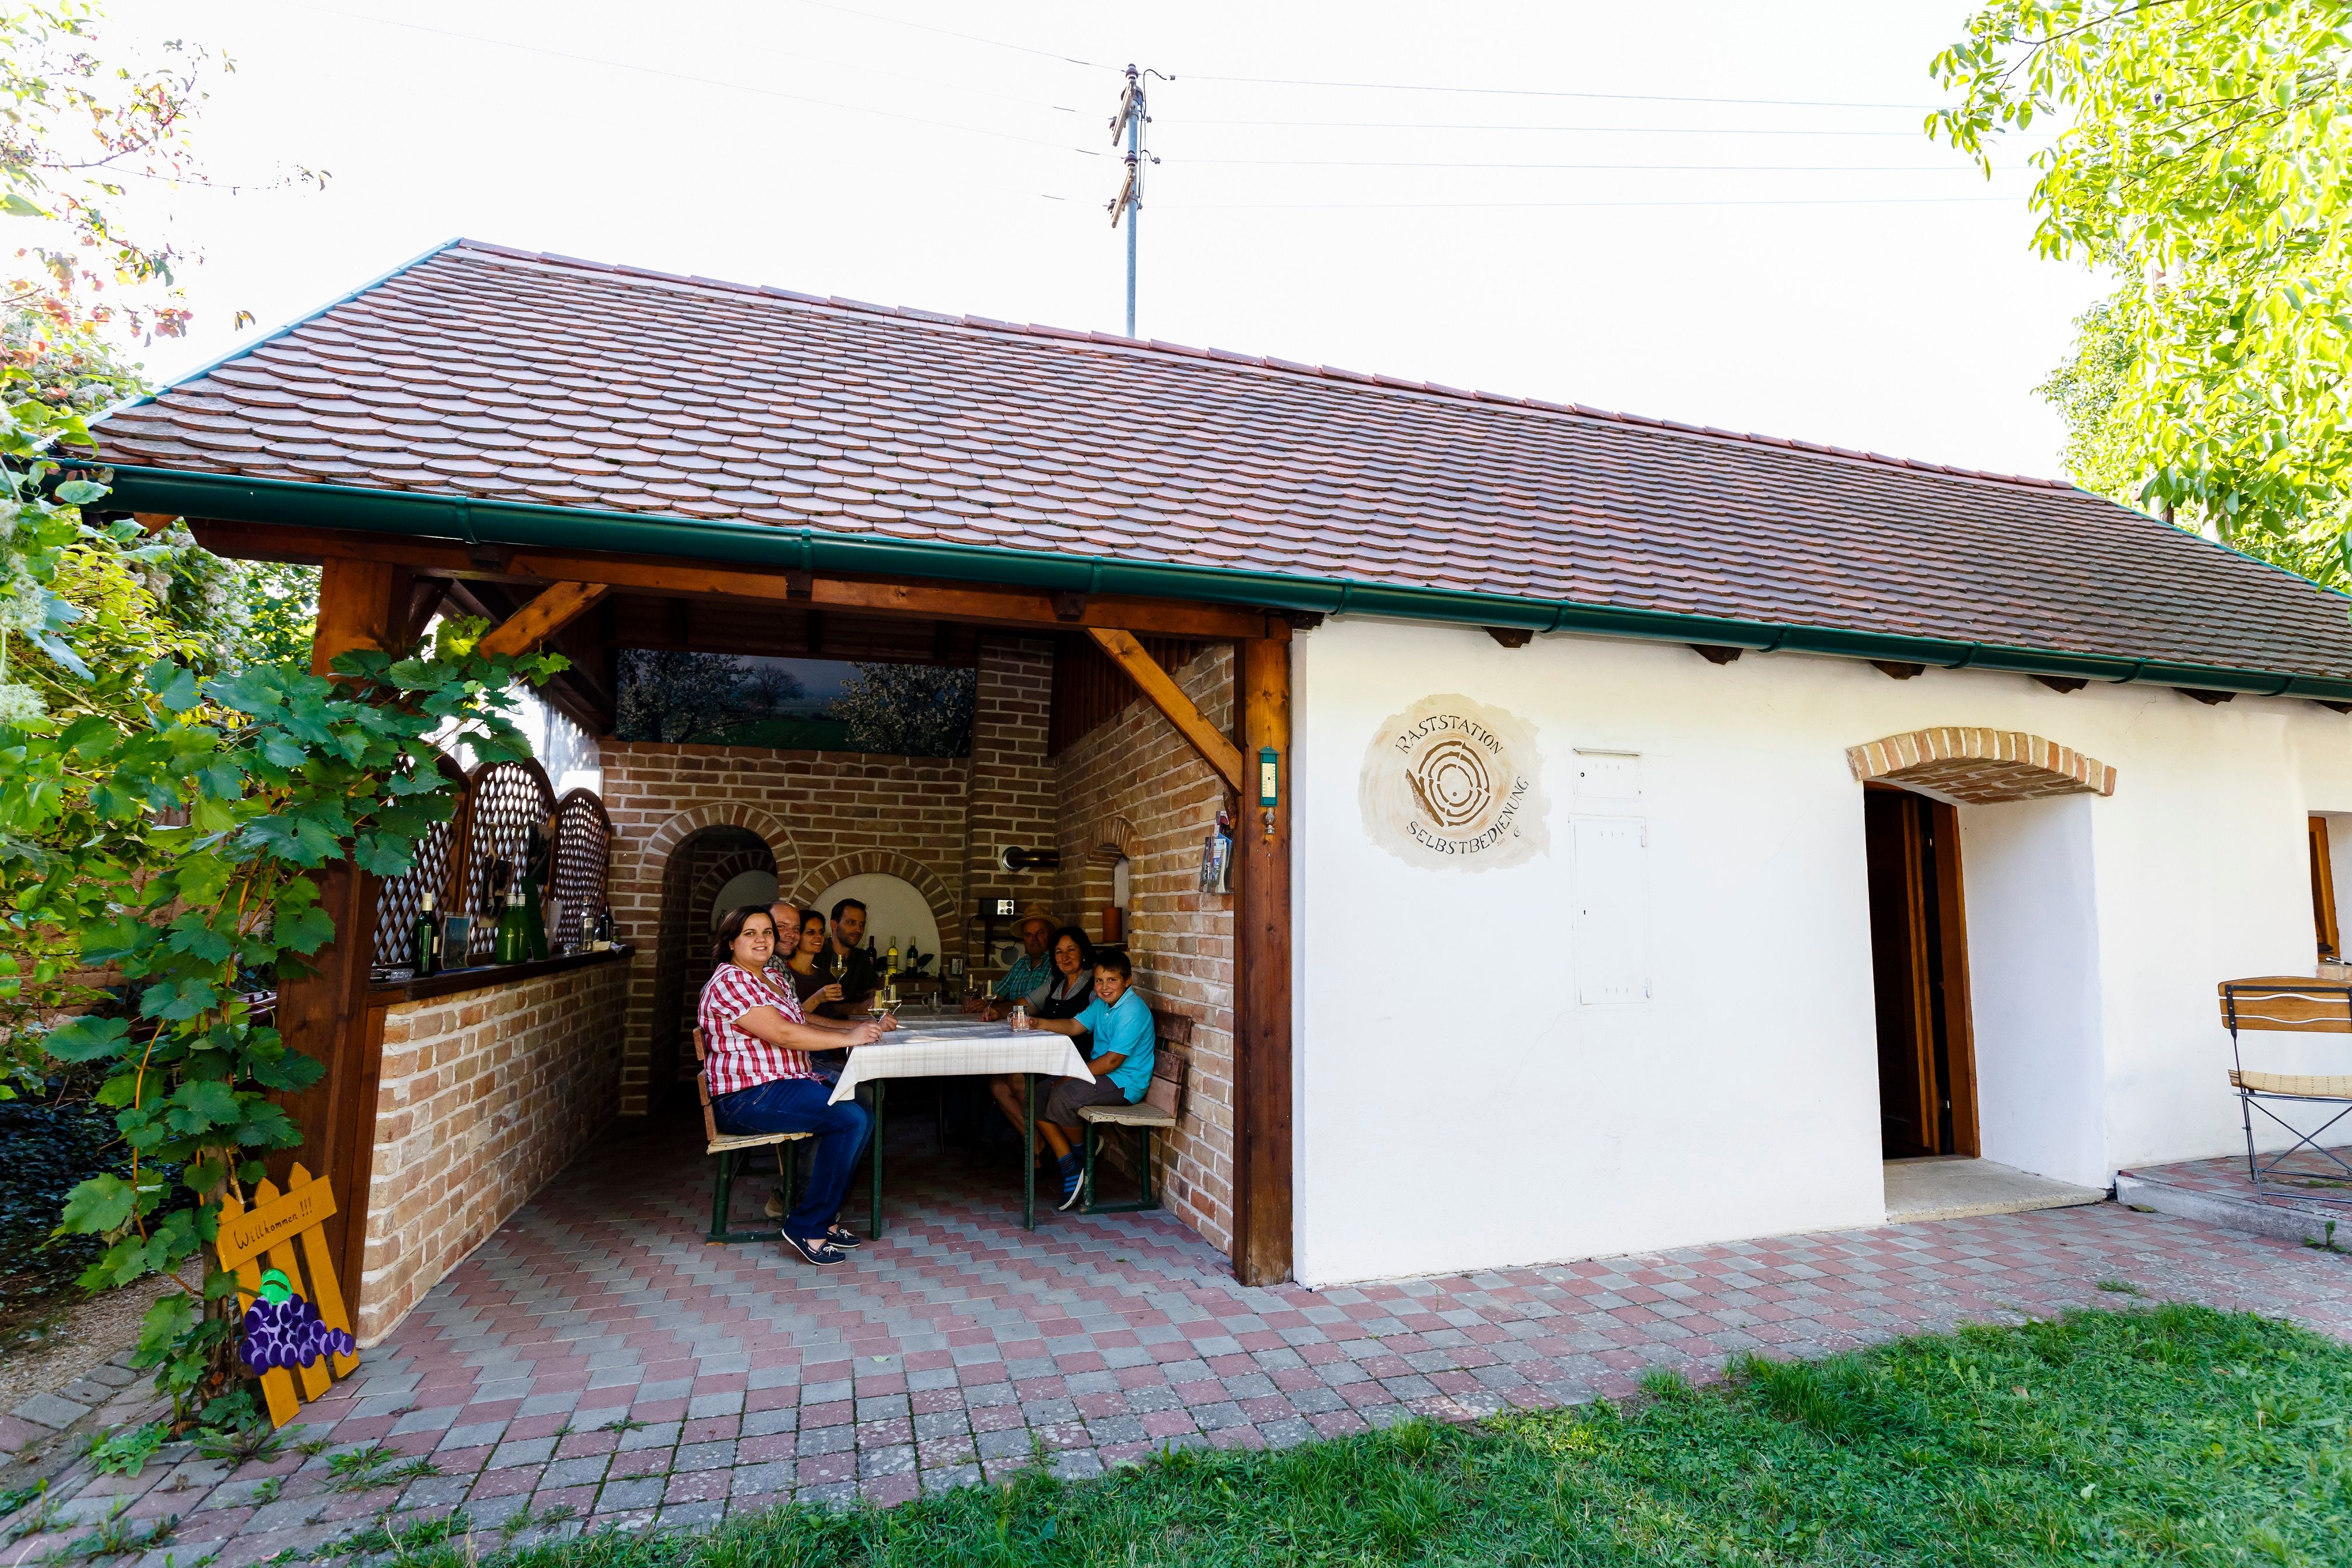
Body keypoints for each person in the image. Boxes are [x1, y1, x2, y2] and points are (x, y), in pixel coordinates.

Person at [696, 904, 888, 1266]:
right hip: (747, 1097)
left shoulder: (771, 976)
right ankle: (807, 1225)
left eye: (767, 933)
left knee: (862, 1112)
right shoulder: (730, 981)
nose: (762, 940)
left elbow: (803, 1023)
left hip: (781, 1085)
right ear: (731, 942)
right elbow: (785, 1033)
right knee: (851, 1119)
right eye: (749, 933)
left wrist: (852, 1032)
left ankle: (824, 1219)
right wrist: (850, 1037)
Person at [1014, 948, 1155, 1210]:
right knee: (1038, 1093)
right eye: (1099, 980)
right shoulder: (1102, 1005)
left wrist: (1071, 1075)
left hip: (1125, 1083)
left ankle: (1081, 1154)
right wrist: (1038, 1022)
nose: (1104, 987)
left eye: (1111, 980)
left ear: (1127, 981)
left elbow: (1113, 1061)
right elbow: (1073, 1025)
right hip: (1103, 1076)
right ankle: (1071, 1161)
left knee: (1062, 1095)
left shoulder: (1132, 1010)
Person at [986, 926, 1095, 1143]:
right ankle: (1038, 1144)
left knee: (1018, 1081)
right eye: (1059, 952)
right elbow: (1023, 1004)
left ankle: (1058, 1149)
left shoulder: (1093, 984)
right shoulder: (1056, 983)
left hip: (1076, 1058)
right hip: (1048, 1055)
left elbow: (1089, 1027)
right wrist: (998, 1010)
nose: (1064, 957)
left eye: (1071, 950)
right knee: (998, 1084)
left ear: (1083, 952)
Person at [965, 905, 1055, 1018]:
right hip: (1012, 1025)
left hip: (1040, 1029)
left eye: (1040, 933)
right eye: (1028, 935)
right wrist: (976, 1002)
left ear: (1051, 934)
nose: (1034, 939)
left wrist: (993, 1006)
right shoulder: (1021, 964)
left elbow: (1039, 1005)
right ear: (1023, 938)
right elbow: (998, 994)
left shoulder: (1057, 964)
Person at [811, 897, 881, 1020]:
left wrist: (869, 1000)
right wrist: (853, 1008)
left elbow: (871, 991)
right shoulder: (815, 954)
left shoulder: (862, 957)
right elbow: (808, 1006)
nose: (858, 930)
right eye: (851, 923)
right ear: (834, 925)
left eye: (862, 924)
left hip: (850, 1026)